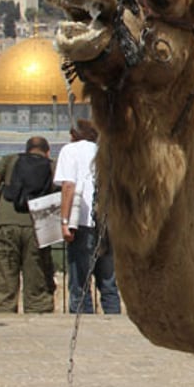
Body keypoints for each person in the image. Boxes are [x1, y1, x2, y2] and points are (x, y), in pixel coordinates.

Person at [0, 136, 57, 313]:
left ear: (26, 149)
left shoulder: (11, 160)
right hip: (38, 226)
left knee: (6, 278)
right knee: (38, 280)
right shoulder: (52, 165)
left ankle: (5, 318)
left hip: (7, 224)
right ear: (47, 152)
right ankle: (38, 319)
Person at [55, 119, 120, 314]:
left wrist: (65, 222)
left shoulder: (70, 151)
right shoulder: (108, 152)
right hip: (108, 223)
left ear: (74, 135)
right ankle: (114, 325)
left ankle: (85, 326)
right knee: (108, 284)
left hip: (81, 223)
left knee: (80, 284)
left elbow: (68, 186)